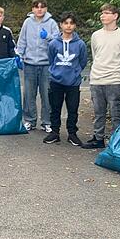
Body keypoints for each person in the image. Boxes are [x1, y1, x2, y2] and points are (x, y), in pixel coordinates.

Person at [81, 4, 120, 149]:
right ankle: (98, 138)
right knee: (99, 112)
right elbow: (96, 55)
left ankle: (118, 141)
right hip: (97, 79)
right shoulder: (96, 35)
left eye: (106, 13)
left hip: (114, 80)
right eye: (101, 13)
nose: (102, 16)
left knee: (115, 112)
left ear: (115, 16)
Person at [44, 12, 88, 146]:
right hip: (56, 81)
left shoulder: (80, 44)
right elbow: (51, 60)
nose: (68, 26)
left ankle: (72, 134)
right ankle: (55, 132)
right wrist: (56, 72)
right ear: (61, 25)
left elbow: (83, 61)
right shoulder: (53, 43)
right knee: (55, 108)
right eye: (66, 23)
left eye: (71, 23)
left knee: (72, 108)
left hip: (73, 82)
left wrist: (75, 73)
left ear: (74, 26)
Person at [15, 0, 59, 132]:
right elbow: (22, 40)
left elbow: (58, 41)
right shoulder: (28, 22)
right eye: (36, 7)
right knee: (29, 94)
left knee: (46, 94)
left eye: (42, 7)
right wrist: (19, 56)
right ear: (33, 9)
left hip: (46, 64)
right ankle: (29, 120)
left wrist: (48, 37)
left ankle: (47, 122)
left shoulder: (51, 23)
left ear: (46, 9)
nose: (39, 9)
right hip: (30, 63)